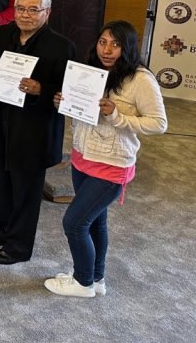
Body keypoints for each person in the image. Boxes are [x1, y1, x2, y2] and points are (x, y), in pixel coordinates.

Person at [45, 21, 168, 297]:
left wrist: (116, 116)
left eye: (116, 44)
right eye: (103, 42)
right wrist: (64, 103)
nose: (107, 50)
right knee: (95, 221)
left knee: (74, 223)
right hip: (83, 157)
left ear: (128, 47)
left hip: (112, 164)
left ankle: (83, 282)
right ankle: (96, 278)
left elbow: (159, 124)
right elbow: (84, 112)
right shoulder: (90, 71)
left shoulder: (140, 79)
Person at [0, 0, 75, 265]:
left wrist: (41, 89)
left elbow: (70, 92)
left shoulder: (62, 46)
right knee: (2, 185)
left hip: (35, 130)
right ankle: (4, 231)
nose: (26, 15)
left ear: (47, 13)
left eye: (34, 10)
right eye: (21, 8)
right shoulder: (3, 35)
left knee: (26, 192)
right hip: (2, 124)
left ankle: (19, 247)